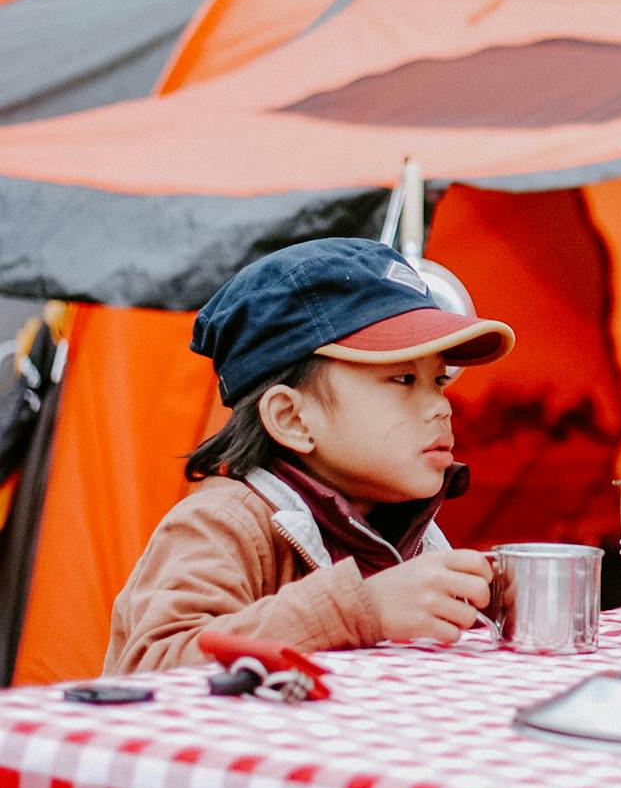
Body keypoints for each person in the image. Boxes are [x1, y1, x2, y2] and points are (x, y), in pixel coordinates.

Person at [104, 239, 516, 674]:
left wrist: (491, 603)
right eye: (403, 379)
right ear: (292, 419)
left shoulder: (402, 522)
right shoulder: (222, 523)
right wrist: (363, 607)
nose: (440, 407)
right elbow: (154, 664)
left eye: (439, 381)